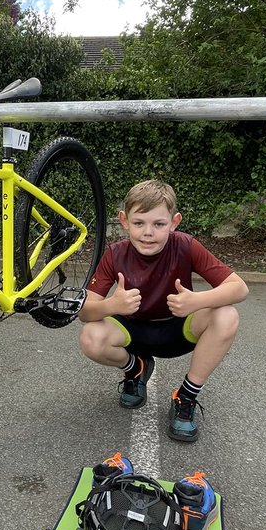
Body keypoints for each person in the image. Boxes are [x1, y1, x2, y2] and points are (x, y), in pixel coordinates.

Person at [78, 179, 248, 443]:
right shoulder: (114, 254)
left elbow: (239, 288)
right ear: (124, 221)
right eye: (139, 223)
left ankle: (186, 397)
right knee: (91, 336)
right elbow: (84, 311)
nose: (148, 232)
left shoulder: (186, 245)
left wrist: (197, 301)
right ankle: (136, 368)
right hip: (132, 331)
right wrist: (113, 305)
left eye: (159, 224)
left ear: (174, 221)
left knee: (227, 315)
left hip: (176, 330)